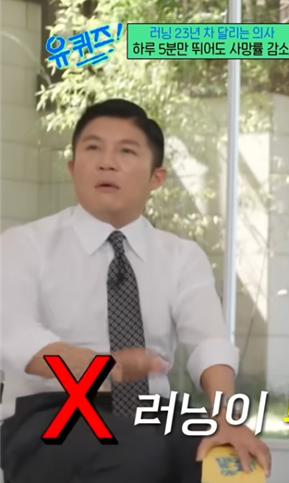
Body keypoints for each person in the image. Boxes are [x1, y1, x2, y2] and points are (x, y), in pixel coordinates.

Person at [0, 99, 271, 483]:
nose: (106, 162)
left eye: (126, 152)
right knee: (136, 454)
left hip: (151, 410)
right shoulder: (24, 245)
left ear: (156, 178)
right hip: (50, 411)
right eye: (93, 148)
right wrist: (105, 367)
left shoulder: (181, 256)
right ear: (73, 167)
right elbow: (14, 337)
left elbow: (209, 341)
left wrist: (227, 418)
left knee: (230, 461)